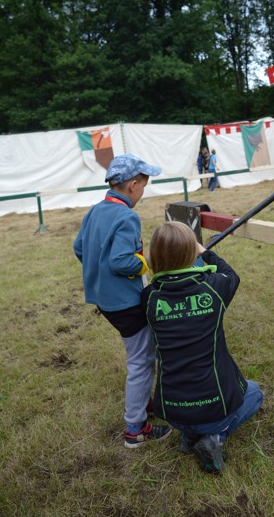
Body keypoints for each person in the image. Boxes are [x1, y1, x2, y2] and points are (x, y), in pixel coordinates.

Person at [142, 221, 264, 474]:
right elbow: (232, 275)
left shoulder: (149, 297)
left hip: (172, 412)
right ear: (191, 254)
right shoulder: (214, 287)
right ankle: (215, 437)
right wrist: (205, 251)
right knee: (255, 393)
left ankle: (188, 435)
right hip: (213, 408)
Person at [73, 153, 172, 448]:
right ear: (132, 185)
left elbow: (80, 248)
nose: (143, 190)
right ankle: (135, 429)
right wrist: (145, 263)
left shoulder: (95, 210)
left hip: (103, 300)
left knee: (140, 351)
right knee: (142, 360)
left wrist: (97, 269)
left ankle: (145, 403)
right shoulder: (127, 216)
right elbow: (121, 261)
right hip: (125, 303)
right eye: (143, 184)